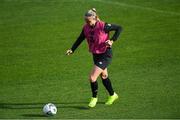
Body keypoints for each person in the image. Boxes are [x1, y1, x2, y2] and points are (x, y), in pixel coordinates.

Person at [66, 8, 122, 108]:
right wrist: (72, 49)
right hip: (95, 54)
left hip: (105, 54)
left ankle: (94, 98)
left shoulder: (103, 26)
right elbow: (80, 38)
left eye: (89, 21)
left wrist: (112, 40)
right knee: (104, 76)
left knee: (92, 77)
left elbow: (119, 28)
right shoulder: (86, 28)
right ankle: (113, 95)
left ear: (95, 18)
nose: (87, 22)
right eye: (85, 21)